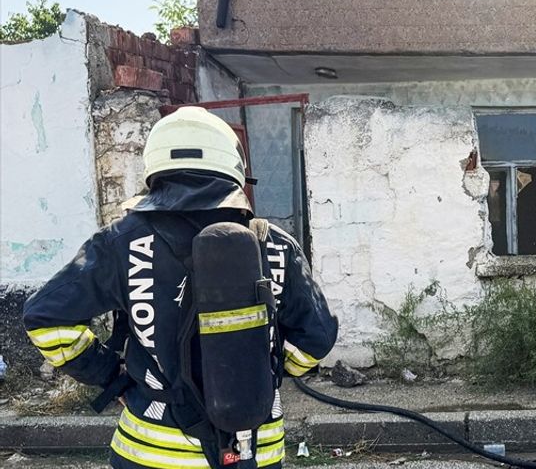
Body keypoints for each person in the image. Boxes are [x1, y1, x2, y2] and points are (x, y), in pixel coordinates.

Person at [23, 107, 338, 469]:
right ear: (234, 168)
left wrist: (110, 375)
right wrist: (265, 372)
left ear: (154, 170)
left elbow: (45, 318)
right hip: (253, 451)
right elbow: (317, 337)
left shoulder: (120, 242)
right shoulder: (276, 244)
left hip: (150, 451)